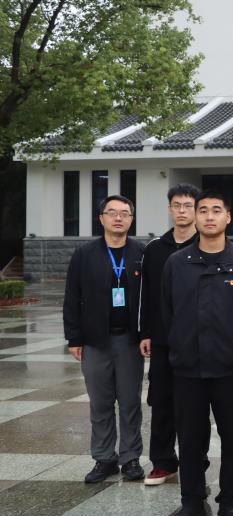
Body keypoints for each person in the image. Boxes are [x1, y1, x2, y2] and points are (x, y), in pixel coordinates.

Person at [161, 190, 233, 516]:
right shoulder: (177, 263)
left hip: (232, 369)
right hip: (188, 369)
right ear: (195, 216)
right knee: (191, 440)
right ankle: (191, 502)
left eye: (216, 210)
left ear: (228, 218)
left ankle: (230, 503)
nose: (208, 216)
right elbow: (167, 314)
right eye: (203, 210)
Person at [63, 194, 146, 484]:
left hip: (130, 341)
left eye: (124, 213)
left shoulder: (141, 252)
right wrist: (74, 338)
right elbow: (72, 297)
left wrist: (147, 334)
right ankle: (104, 458)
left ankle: (131, 457)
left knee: (130, 402)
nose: (118, 218)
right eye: (112, 212)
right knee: (100, 403)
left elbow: (150, 299)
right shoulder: (84, 254)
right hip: (95, 341)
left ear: (131, 219)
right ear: (101, 218)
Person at [139, 183, 201, 486]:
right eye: (177, 205)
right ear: (169, 209)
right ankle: (163, 462)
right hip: (163, 341)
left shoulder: (207, 244)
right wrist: (145, 332)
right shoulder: (155, 249)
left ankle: (196, 462)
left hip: (199, 341)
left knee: (194, 406)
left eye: (188, 205)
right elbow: (146, 295)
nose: (182, 211)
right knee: (162, 402)